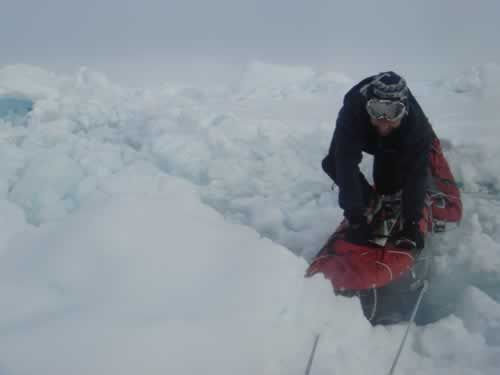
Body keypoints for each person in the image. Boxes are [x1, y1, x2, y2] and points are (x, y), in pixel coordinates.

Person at [322, 71, 436, 250]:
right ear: (368, 105)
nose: (383, 120)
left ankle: (391, 194)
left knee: (388, 184)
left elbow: (416, 173)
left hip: (396, 139)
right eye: (377, 111)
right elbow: (345, 161)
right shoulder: (353, 110)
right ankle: (370, 200)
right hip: (365, 132)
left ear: (403, 110)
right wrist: (355, 217)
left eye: (392, 112)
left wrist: (411, 223)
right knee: (332, 163)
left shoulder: (416, 125)